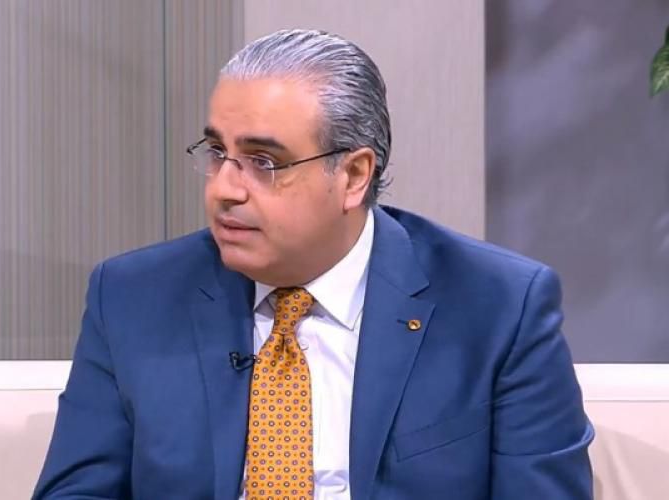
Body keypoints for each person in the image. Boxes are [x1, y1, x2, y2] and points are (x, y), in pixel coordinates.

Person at [34, 29, 593, 499]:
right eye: (217, 153)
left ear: (353, 176)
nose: (225, 188)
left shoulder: (499, 307)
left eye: (263, 162)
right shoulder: (132, 297)